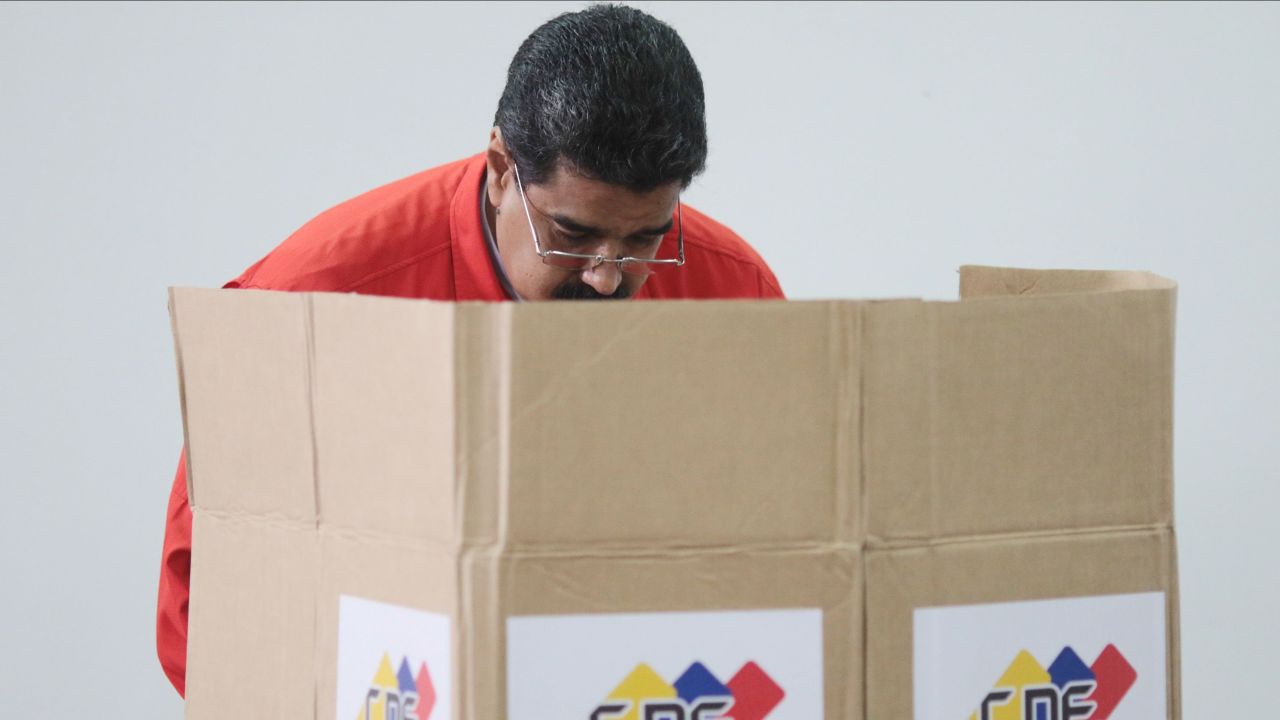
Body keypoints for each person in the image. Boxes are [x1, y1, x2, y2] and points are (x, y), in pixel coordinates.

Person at [155, 3, 783, 696]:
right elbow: (203, 615)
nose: (608, 276)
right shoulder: (310, 307)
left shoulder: (736, 296)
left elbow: (786, 558)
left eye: (645, 240)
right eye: (571, 235)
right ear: (499, 169)